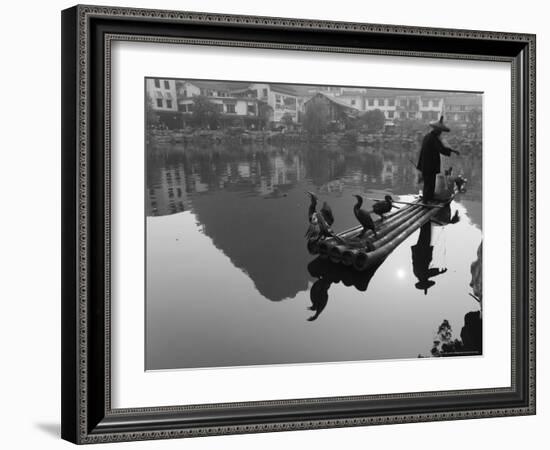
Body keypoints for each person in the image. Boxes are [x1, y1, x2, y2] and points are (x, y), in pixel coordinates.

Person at [416, 116, 460, 201]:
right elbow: (441, 149)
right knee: (430, 184)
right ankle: (426, 201)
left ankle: (427, 199)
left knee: (428, 183)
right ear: (437, 130)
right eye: (440, 131)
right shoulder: (433, 138)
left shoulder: (428, 136)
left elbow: (441, 146)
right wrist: (453, 151)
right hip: (429, 166)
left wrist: (452, 150)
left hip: (425, 165)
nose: (441, 133)